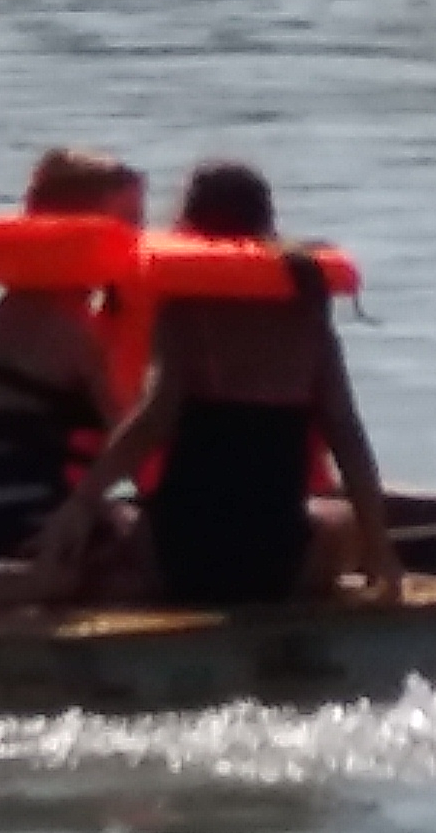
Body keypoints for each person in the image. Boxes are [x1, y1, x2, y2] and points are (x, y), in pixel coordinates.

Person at [38, 161, 402, 611]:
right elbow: (345, 431)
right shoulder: (306, 308)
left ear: (189, 226)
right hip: (280, 562)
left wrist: (83, 501)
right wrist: (379, 549)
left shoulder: (184, 305)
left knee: (118, 523)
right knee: (339, 519)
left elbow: (154, 419)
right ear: (267, 224)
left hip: (179, 558)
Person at [0, 147, 146, 609]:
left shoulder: (4, 313)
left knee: (107, 523)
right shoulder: (78, 330)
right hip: (15, 505)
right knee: (139, 557)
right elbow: (128, 440)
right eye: (127, 225)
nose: (140, 241)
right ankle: (7, 587)